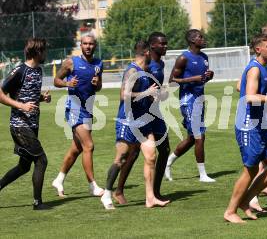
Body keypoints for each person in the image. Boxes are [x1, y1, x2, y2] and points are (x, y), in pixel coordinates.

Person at [224, 33, 267, 223]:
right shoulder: (255, 69)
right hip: (249, 125)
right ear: (258, 49)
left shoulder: (266, 67)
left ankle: (246, 200)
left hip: (264, 123)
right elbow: (250, 97)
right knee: (250, 170)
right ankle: (230, 211)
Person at [100, 40, 169, 209]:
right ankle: (107, 193)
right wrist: (147, 92)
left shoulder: (145, 71)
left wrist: (155, 96)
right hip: (128, 120)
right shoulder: (132, 70)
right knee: (121, 158)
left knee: (151, 156)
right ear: (146, 52)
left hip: (143, 121)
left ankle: (150, 198)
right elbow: (124, 95)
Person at [0, 38, 51, 210]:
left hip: (32, 125)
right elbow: (1, 94)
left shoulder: (39, 71)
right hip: (20, 125)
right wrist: (21, 106)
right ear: (37, 52)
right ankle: (38, 203)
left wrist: (42, 98)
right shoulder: (20, 70)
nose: (46, 54)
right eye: (44, 51)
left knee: (23, 167)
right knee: (41, 160)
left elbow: (29, 97)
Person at [52, 34, 104, 197]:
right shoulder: (71, 62)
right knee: (88, 146)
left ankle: (58, 180)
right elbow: (56, 80)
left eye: (91, 44)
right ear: (80, 45)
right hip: (73, 108)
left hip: (87, 109)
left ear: (95, 45)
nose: (88, 46)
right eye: (85, 43)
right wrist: (67, 83)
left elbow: (99, 87)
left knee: (76, 149)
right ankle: (93, 186)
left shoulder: (99, 63)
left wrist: (97, 85)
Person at [165, 29, 215, 182]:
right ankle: (203, 175)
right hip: (188, 100)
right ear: (192, 40)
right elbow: (172, 81)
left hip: (200, 99)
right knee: (200, 136)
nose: (203, 38)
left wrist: (208, 78)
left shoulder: (204, 57)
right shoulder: (183, 58)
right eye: (200, 37)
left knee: (192, 138)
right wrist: (192, 79)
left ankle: (167, 163)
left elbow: (201, 80)